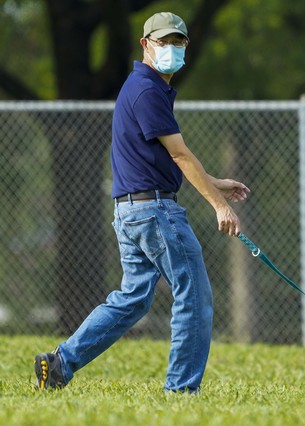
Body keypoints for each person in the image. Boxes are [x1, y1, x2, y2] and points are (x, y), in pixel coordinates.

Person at [34, 12, 250, 393]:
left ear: (185, 46)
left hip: (131, 212)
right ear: (145, 44)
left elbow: (162, 157)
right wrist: (220, 205)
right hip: (155, 213)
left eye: (177, 42)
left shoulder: (141, 87)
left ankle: (60, 363)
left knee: (132, 299)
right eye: (162, 41)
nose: (170, 48)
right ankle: (182, 389)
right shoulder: (148, 90)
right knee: (194, 296)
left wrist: (214, 182)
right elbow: (181, 156)